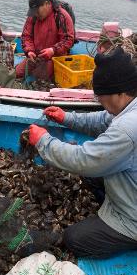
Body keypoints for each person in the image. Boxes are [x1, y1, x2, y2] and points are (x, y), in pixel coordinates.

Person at [27, 47, 137, 258]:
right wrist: (66, 117)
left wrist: (43, 142)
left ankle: (128, 238)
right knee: (91, 175)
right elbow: (102, 120)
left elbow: (84, 160)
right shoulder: (128, 107)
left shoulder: (128, 128)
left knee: (73, 239)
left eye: (101, 97)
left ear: (120, 92)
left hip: (131, 220)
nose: (100, 101)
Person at [16, 0, 75, 81]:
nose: (36, 14)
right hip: (35, 56)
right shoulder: (33, 16)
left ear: (47, 4)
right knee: (16, 74)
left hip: (55, 58)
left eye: (37, 11)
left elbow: (68, 40)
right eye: (33, 12)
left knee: (41, 79)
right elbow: (26, 36)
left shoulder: (61, 16)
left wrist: (53, 50)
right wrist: (29, 51)